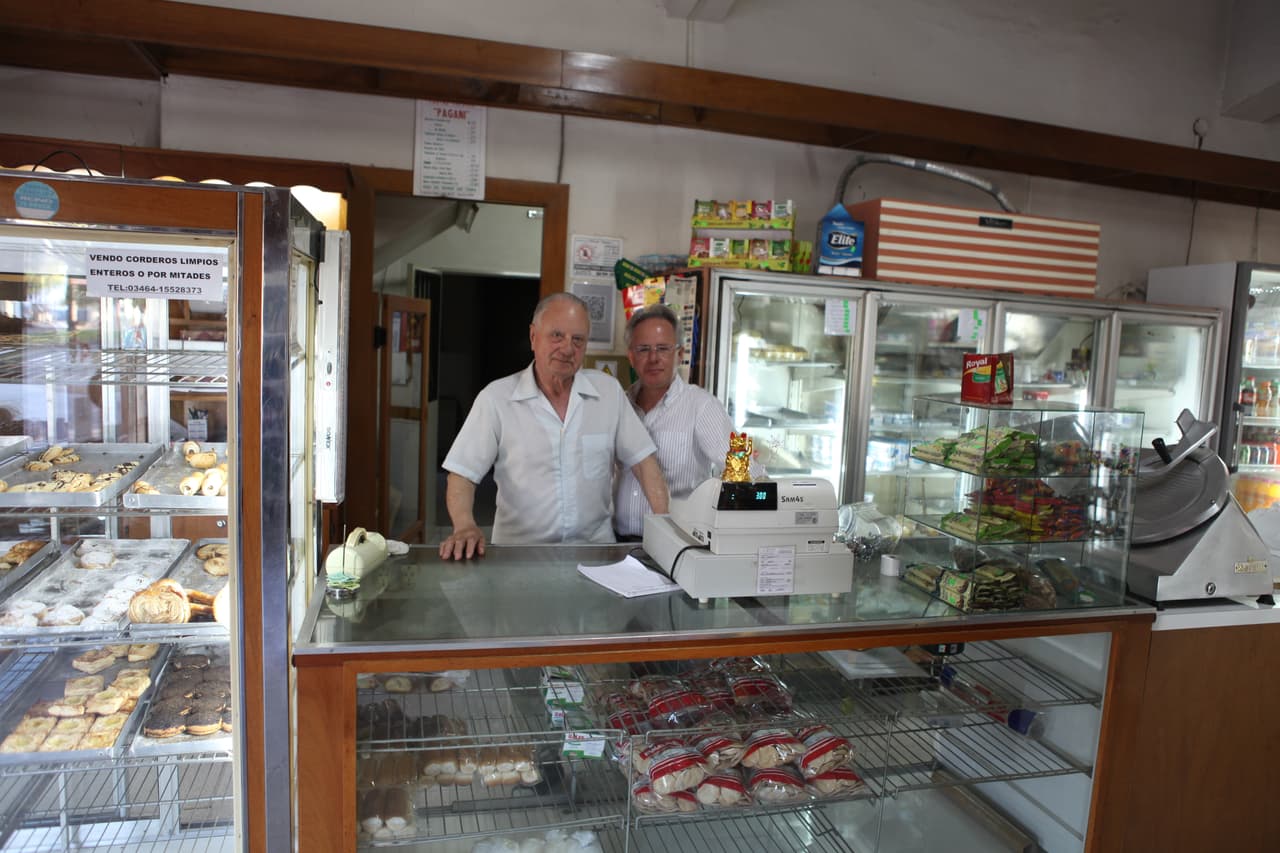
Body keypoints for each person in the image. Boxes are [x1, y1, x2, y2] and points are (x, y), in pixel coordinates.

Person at [439, 292, 669, 560]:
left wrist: (665, 527)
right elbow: (462, 473)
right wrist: (465, 525)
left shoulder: (608, 392)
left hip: (594, 556)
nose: (567, 348)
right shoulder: (497, 399)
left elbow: (644, 463)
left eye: (578, 340)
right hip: (519, 559)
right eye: (557, 336)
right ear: (533, 336)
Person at [613, 304, 736, 539]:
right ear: (631, 356)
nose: (653, 358)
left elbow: (745, 474)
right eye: (643, 349)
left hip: (677, 544)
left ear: (680, 354)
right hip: (618, 543)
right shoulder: (619, 405)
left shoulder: (701, 406)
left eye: (663, 348)